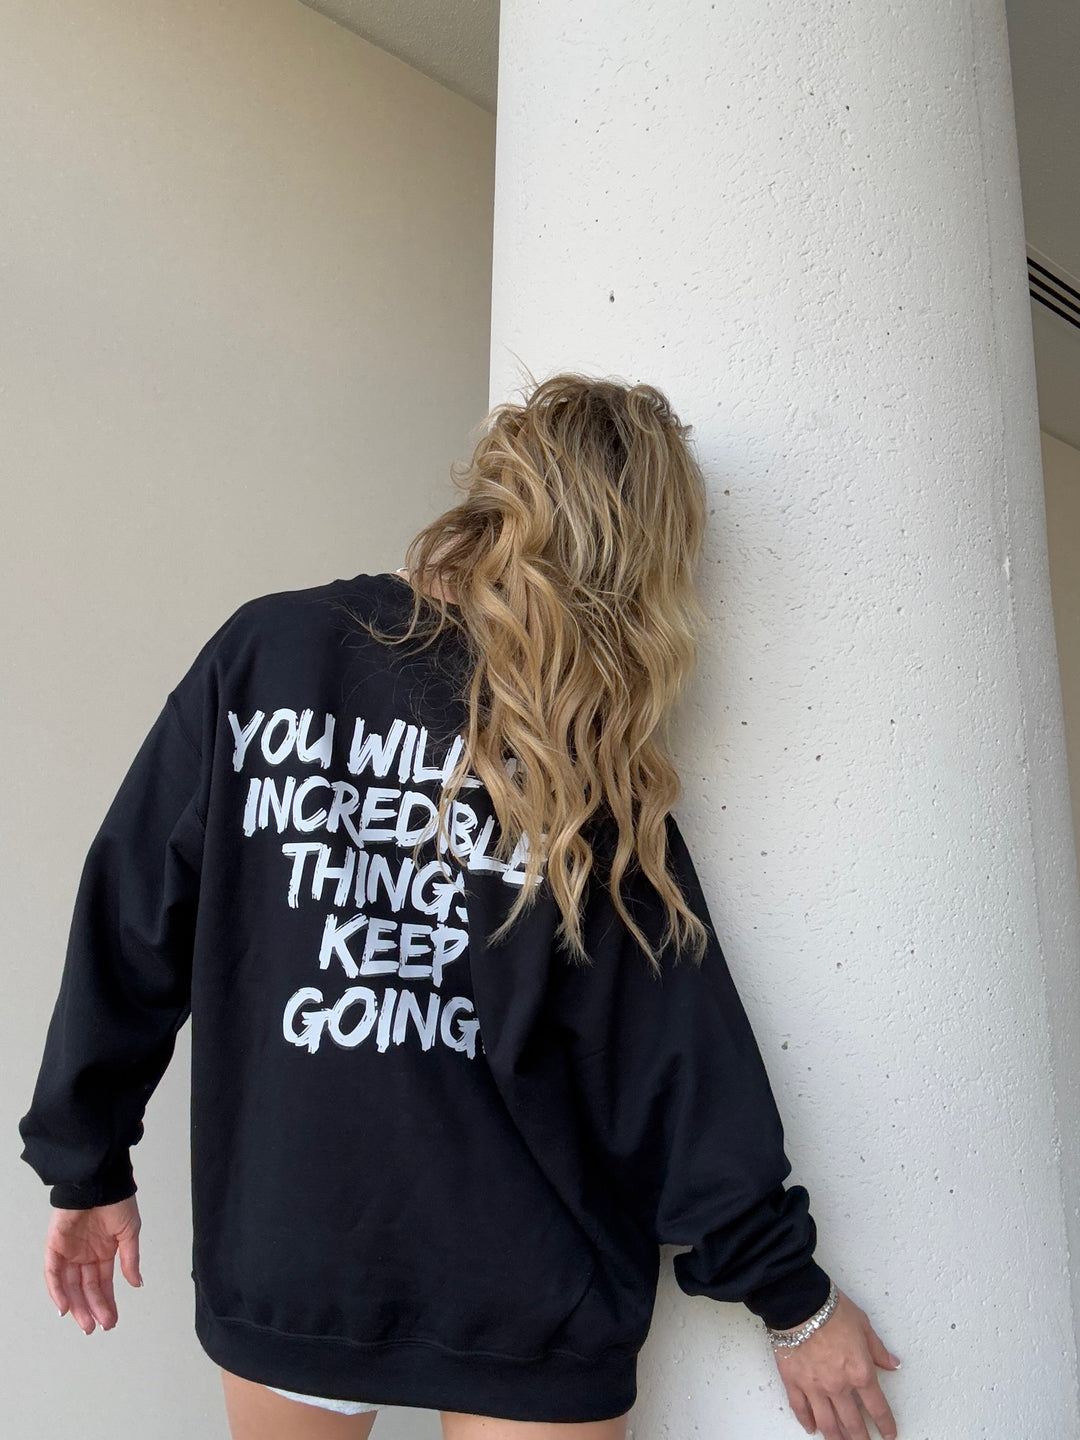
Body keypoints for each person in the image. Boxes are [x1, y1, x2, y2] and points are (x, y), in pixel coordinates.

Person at [18, 373, 902, 1440]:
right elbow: (666, 1052)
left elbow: (129, 914)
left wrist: (87, 1160)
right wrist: (794, 1301)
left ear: (494, 489)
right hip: (531, 1275)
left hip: (301, 1246)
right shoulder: (579, 745)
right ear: (639, 554)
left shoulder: (268, 655)